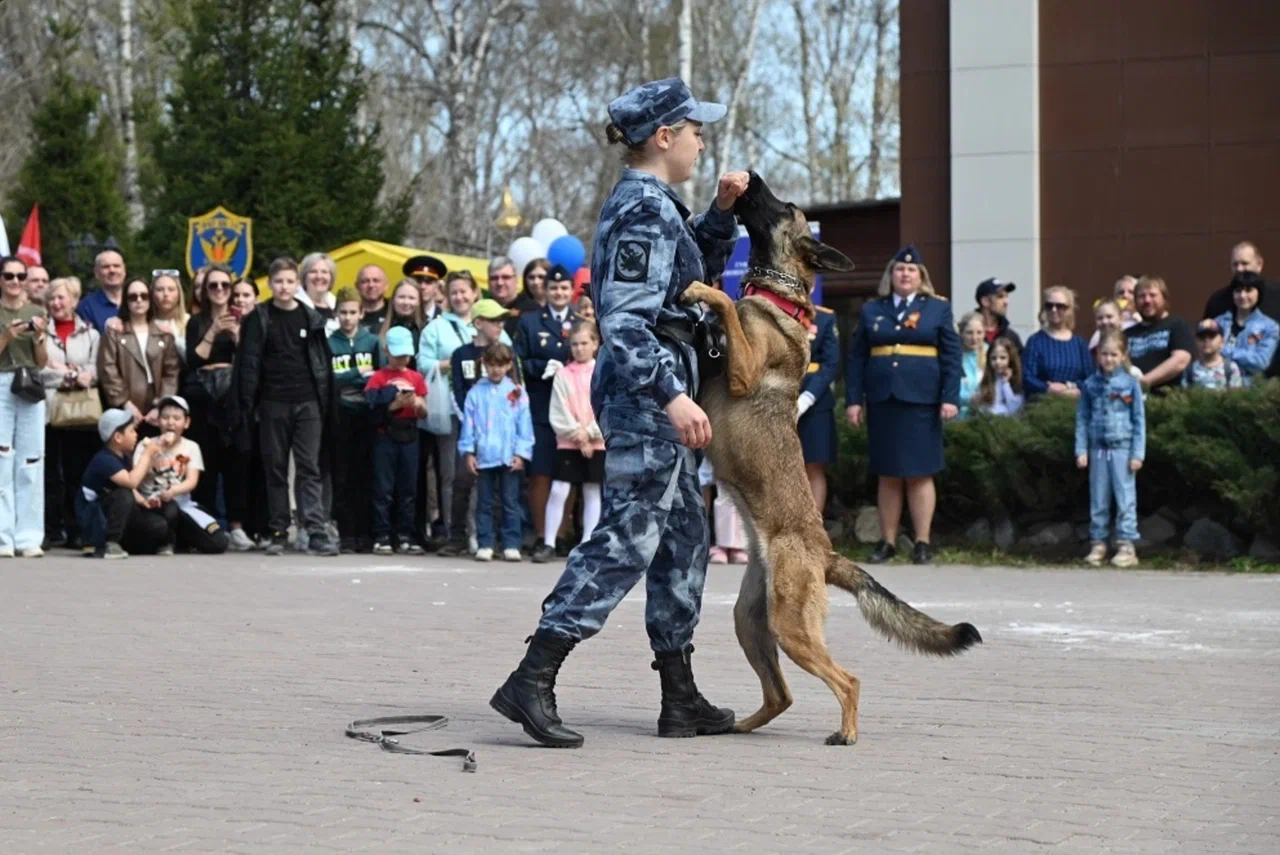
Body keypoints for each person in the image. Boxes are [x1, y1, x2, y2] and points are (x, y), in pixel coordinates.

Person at [491, 78, 744, 749]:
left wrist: (717, 218)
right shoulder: (642, 209)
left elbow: (682, 286)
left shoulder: (661, 205)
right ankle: (534, 673)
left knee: (684, 539)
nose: (700, 142)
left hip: (656, 389)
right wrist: (673, 394)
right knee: (628, 536)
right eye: (694, 130)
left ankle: (679, 693)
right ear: (664, 136)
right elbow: (628, 322)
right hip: (645, 394)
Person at [846, 245, 962, 565]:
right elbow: (856, 359)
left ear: (921, 276)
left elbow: (952, 357)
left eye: (911, 270)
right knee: (888, 472)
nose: (905, 274)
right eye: (899, 269)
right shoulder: (872, 309)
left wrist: (950, 397)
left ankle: (922, 542)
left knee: (920, 473)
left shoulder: (937, 309)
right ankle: (888, 540)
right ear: (891, 275)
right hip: (884, 400)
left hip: (922, 400)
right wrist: (854, 400)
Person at [233, 256, 338, 556]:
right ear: (270, 284)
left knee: (309, 467)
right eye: (278, 281)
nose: (284, 287)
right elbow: (249, 363)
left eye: (290, 281)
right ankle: (279, 529)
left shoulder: (310, 318)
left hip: (307, 402)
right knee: (275, 468)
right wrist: (248, 403)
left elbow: (321, 364)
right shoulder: (259, 317)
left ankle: (315, 529)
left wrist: (323, 401)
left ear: (298, 283)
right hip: (272, 402)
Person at [436, 298, 514, 557]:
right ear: (478, 323)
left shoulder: (506, 354)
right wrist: (472, 426)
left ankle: (500, 540)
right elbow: (455, 393)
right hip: (468, 430)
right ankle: (457, 536)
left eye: (502, 320)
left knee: (500, 489)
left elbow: (517, 391)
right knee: (462, 482)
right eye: (494, 321)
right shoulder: (460, 355)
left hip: (501, 434)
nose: (500, 325)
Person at [184, 264, 253, 550]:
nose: (220, 291)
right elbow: (194, 358)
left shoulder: (246, 320)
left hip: (232, 397)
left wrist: (237, 334)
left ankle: (237, 526)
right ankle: (211, 524)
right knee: (207, 462)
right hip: (203, 397)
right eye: (213, 286)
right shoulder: (196, 322)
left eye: (225, 286)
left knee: (236, 461)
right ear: (204, 291)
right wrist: (214, 329)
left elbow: (249, 360)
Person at [515, 263, 579, 561]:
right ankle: (543, 535)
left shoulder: (581, 321)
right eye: (553, 288)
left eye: (564, 288)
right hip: (540, 407)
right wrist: (543, 369)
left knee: (569, 474)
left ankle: (563, 535)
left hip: (574, 409)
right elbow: (519, 362)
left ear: (571, 290)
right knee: (540, 474)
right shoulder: (530, 322)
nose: (558, 293)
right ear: (545, 290)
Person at [417, 270, 481, 544]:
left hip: (484, 411)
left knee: (479, 472)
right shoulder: (436, 327)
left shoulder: (484, 322)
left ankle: (479, 531)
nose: (459, 297)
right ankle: (454, 532)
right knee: (450, 473)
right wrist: (452, 365)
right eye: (454, 292)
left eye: (464, 290)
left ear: (475, 293)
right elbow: (422, 363)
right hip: (450, 408)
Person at [39, 277, 101, 551]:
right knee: (50, 473)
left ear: (75, 300)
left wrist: (72, 372)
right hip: (49, 411)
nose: (56, 303)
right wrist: (70, 375)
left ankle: (77, 529)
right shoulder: (40, 333)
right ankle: (50, 529)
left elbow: (96, 369)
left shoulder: (91, 334)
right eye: (51, 298)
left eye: (61, 297)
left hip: (81, 414)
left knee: (77, 472)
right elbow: (39, 371)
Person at [1076, 330, 1145, 568]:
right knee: (1099, 498)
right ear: (1097, 356)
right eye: (1104, 354)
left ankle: (1126, 544)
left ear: (1123, 355)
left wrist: (1138, 453)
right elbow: (1083, 419)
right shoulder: (1090, 385)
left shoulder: (1130, 384)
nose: (1108, 359)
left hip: (1122, 449)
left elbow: (1139, 421)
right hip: (1097, 449)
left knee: (1125, 498)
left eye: (1114, 354)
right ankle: (1099, 543)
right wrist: (1081, 449)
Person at [459, 343, 533, 562]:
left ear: (509, 365)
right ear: (484, 365)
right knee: (485, 502)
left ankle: (511, 543)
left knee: (511, 501)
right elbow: (468, 425)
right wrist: (469, 452)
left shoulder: (517, 392)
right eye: (491, 365)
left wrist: (521, 453)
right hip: (484, 456)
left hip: (508, 456)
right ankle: (485, 542)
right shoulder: (475, 393)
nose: (496, 370)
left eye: (501, 365)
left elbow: (524, 425)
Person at [541, 319, 605, 560]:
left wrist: (590, 433)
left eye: (584, 343)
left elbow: (605, 406)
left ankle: (587, 542)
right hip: (569, 441)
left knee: (592, 490)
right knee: (559, 489)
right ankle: (548, 542)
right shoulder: (563, 375)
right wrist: (578, 435)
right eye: (574, 344)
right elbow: (558, 410)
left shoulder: (602, 372)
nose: (579, 348)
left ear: (595, 343)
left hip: (597, 442)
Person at [132, 395, 229, 554]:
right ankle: (166, 541)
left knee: (218, 542)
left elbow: (192, 481)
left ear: (186, 422)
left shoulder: (191, 447)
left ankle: (181, 539)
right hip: (151, 503)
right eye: (165, 417)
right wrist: (152, 454)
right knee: (169, 510)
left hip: (182, 503)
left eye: (177, 418)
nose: (170, 423)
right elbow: (135, 481)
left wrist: (173, 492)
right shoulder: (145, 444)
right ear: (157, 421)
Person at [0, 255, 49, 557]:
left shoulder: (36, 310)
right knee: (2, 457)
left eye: (21, 276)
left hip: (29, 382)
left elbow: (42, 361)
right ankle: (3, 536)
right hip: (2, 381)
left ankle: (29, 537)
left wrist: (40, 336)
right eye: (9, 276)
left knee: (31, 459)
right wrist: (6, 336)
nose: (15, 282)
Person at [364, 326, 428, 555]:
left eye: (406, 355)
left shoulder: (416, 377)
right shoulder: (378, 378)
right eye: (397, 354)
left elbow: (424, 411)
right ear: (386, 351)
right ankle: (382, 534)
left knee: (408, 487)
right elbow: (371, 409)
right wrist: (394, 404)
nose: (402, 359)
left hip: (410, 434)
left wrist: (418, 405)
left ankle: (406, 533)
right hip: (385, 434)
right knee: (383, 487)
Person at [76, 409, 172, 558]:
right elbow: (130, 482)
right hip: (94, 519)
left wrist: (143, 501)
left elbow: (129, 485)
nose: (136, 434)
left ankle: (121, 543)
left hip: (112, 512)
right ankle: (108, 543)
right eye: (132, 431)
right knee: (124, 494)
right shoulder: (104, 459)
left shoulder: (124, 456)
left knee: (158, 525)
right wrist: (146, 454)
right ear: (118, 437)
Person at [329, 286, 383, 552]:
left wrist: (362, 378)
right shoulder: (330, 342)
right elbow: (331, 379)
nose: (348, 318)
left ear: (361, 313)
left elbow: (378, 376)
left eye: (352, 312)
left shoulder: (371, 341)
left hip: (366, 414)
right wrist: (355, 374)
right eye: (343, 312)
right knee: (343, 475)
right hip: (341, 414)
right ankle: (347, 533)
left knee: (366, 474)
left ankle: (366, 533)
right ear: (336, 314)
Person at [97, 278, 180, 433]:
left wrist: (160, 405)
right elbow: (107, 369)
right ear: (126, 301)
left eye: (144, 295)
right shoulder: (114, 331)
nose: (139, 300)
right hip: (124, 403)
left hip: (157, 406)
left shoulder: (164, 334)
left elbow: (171, 373)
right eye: (133, 297)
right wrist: (125, 402)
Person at [796, 303, 840, 514]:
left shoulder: (824, 317)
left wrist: (807, 398)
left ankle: (814, 532)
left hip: (816, 402)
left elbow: (830, 364)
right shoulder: (772, 312)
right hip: (776, 399)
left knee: (813, 466)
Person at [1125, 276, 1195, 395]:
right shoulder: (1127, 334)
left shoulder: (1177, 325)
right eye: (1142, 296)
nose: (1147, 300)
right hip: (1132, 402)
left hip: (1168, 401)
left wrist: (1145, 381)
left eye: (1152, 295)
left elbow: (1181, 360)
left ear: (1164, 298)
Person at [1214, 272, 1278, 387]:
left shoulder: (1270, 327)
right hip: (1218, 386)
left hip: (1250, 392)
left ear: (1259, 293)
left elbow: (1261, 362)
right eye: (1238, 291)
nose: (1242, 295)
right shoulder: (1219, 322)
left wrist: (1226, 351)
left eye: (1248, 290)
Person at [487, 256, 539, 339]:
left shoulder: (532, 310)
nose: (500, 283)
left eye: (506, 277)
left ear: (516, 280)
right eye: (494, 278)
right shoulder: (481, 309)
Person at [1182, 318, 1243, 390]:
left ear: (1222, 341)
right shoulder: (1190, 369)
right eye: (1202, 337)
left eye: (1212, 336)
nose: (1206, 340)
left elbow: (1236, 397)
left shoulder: (1231, 368)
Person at [76, 250, 127, 333]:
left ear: (124, 271)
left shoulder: (137, 299)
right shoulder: (86, 306)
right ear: (96, 272)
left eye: (116, 266)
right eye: (106, 267)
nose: (112, 270)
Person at [974, 336, 1025, 416]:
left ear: (1011, 359)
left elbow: (1014, 408)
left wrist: (1006, 383)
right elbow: (982, 407)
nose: (998, 362)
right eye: (993, 358)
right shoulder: (987, 379)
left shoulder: (1017, 380)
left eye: (1003, 358)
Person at [974, 278, 1023, 352]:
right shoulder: (966, 334)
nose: (1006, 302)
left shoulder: (1011, 337)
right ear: (985, 301)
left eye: (1007, 296)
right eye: (1000, 297)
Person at [298, 252, 339, 335]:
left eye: (324, 272)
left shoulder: (338, 305)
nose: (319, 276)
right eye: (313, 271)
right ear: (304, 276)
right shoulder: (295, 306)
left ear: (331, 278)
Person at [956, 311, 986, 418]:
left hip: (985, 416)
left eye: (979, 332)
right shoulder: (954, 356)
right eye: (969, 333)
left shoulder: (991, 353)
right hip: (958, 418)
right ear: (961, 333)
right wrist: (968, 399)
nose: (974, 338)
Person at [404, 255, 448, 326]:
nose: (422, 286)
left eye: (428, 282)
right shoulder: (401, 317)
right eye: (418, 281)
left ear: (437, 285)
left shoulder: (446, 320)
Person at [356, 264, 390, 333]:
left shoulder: (395, 311)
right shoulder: (348, 312)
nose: (371, 285)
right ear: (357, 286)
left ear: (386, 285)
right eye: (365, 281)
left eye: (376, 280)